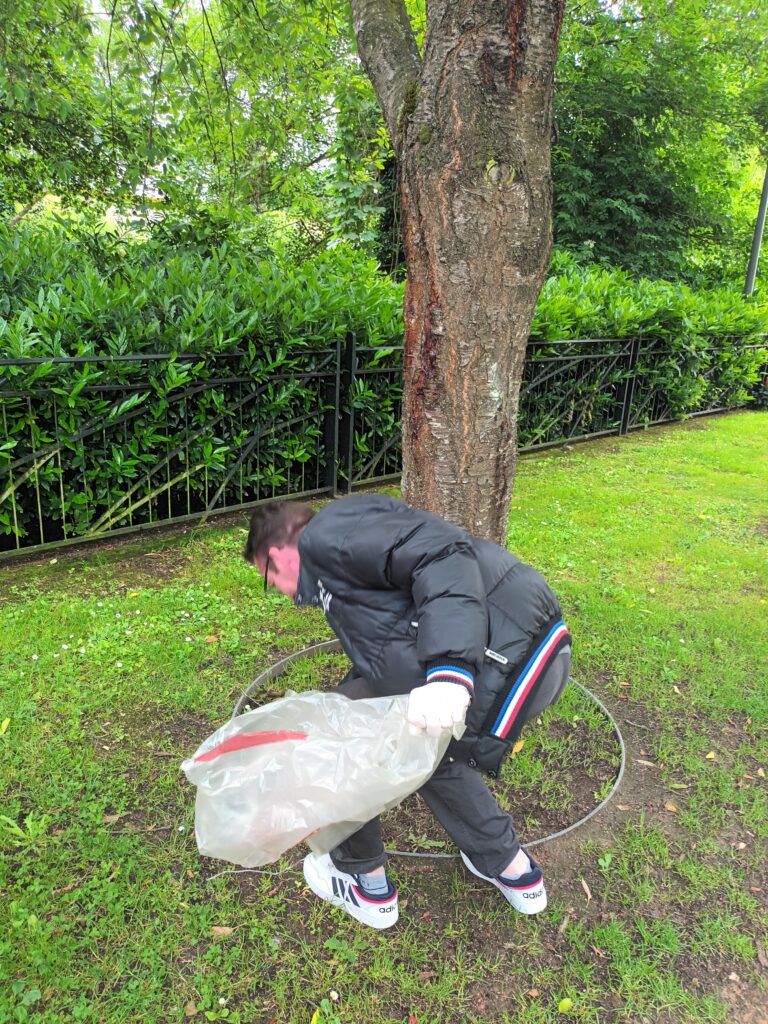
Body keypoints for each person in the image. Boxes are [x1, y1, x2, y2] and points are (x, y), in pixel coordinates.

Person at [244, 494, 571, 930]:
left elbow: (441, 553)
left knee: (337, 739)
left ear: (277, 554)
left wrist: (450, 669)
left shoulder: (330, 532)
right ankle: (513, 870)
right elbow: (387, 642)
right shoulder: (338, 564)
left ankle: (362, 881)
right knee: (430, 749)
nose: (282, 594)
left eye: (269, 579)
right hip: (527, 664)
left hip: (496, 658)